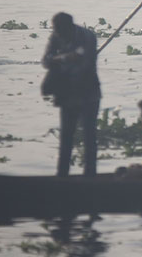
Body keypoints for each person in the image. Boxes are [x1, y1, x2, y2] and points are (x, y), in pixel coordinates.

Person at [42, 12, 101, 178]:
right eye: (56, 30)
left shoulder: (87, 37)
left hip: (88, 94)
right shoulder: (56, 37)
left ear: (69, 27)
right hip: (66, 95)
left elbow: (85, 64)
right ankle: (62, 176)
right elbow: (46, 61)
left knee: (89, 137)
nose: (58, 34)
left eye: (60, 31)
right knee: (66, 138)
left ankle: (90, 177)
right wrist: (64, 57)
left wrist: (61, 60)